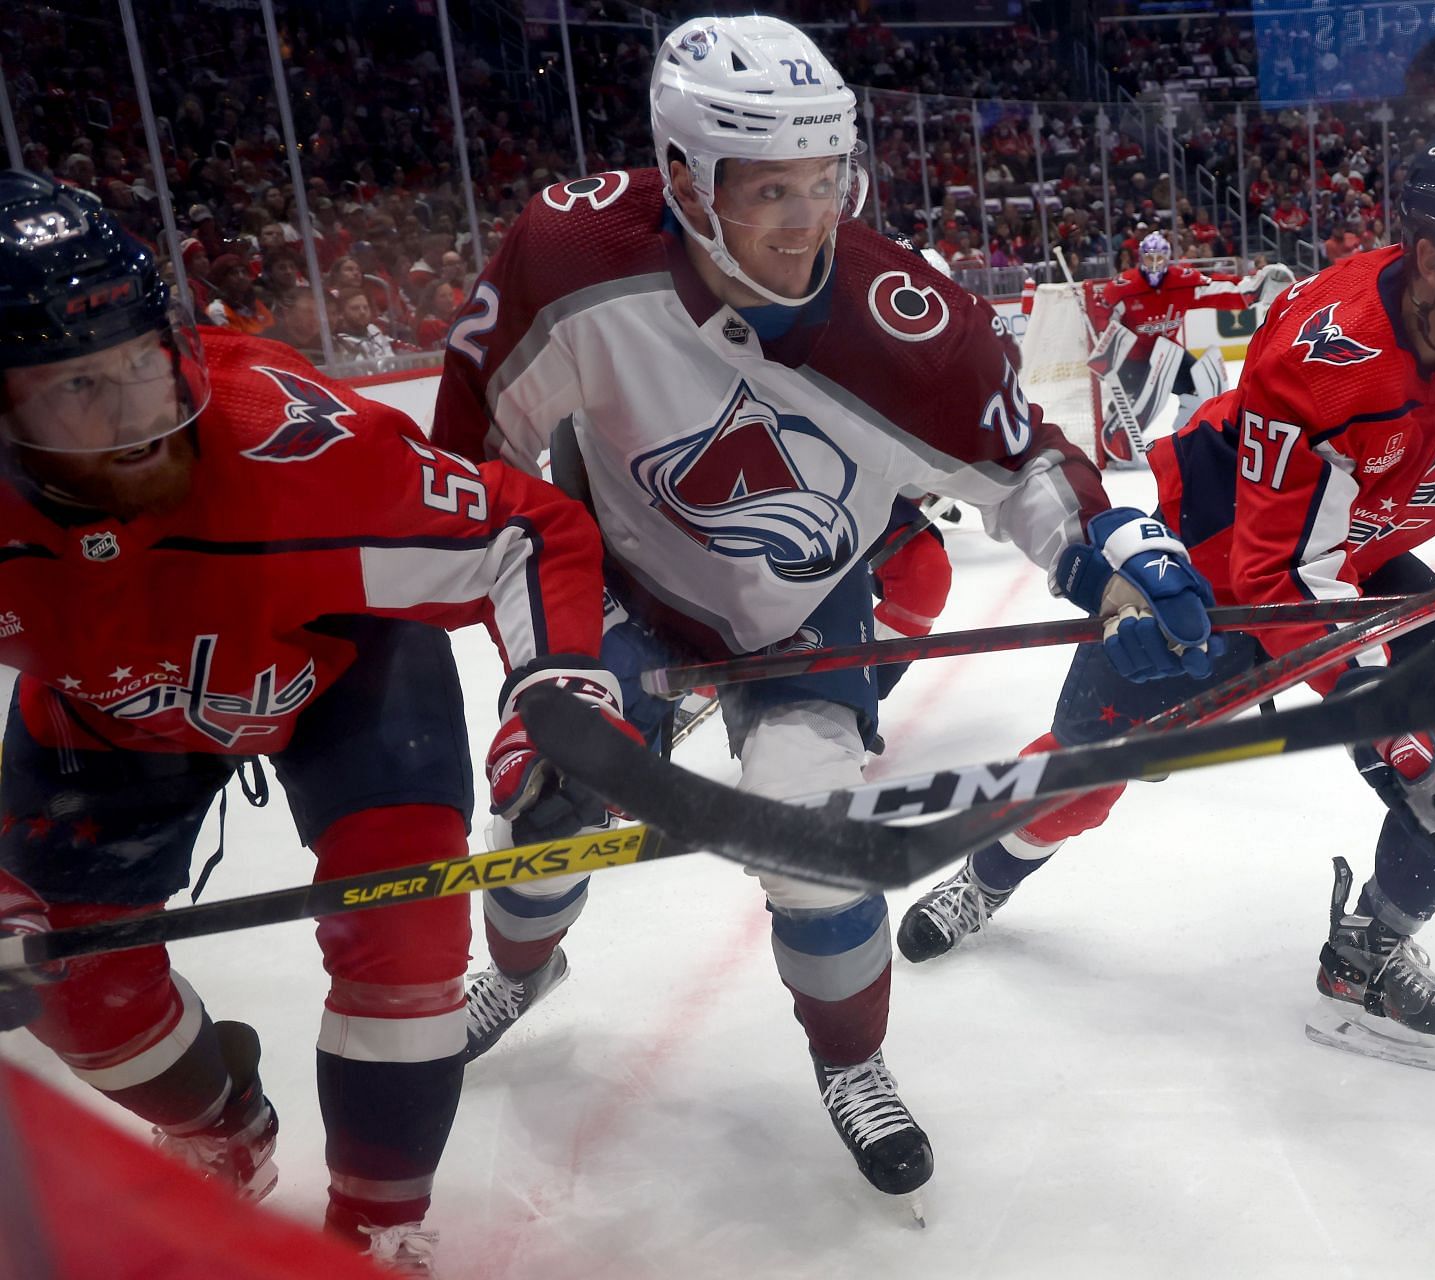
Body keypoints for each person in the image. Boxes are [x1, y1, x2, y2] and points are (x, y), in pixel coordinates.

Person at [431, 15, 1219, 1208]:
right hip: (615, 589)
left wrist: (1117, 562)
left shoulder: (913, 322)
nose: (807, 222)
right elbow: (469, 469)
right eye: (769, 190)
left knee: (816, 854)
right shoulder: (569, 255)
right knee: (543, 811)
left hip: (804, 617)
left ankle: (851, 1059)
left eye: (824, 182)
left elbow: (1026, 469)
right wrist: (548, 651)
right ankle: (522, 965)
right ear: (687, 179)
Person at [895, 130, 1435, 1075]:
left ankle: (1369, 955)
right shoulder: (1326, 357)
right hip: (1221, 570)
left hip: (1358, 556)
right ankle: (989, 873)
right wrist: (1391, 732)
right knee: (1091, 762)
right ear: (1434, 260)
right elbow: (1278, 580)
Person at [0, 173, 618, 1273]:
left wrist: (559, 700)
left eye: (146, 358)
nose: (140, 412)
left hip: (343, 677)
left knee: (410, 948)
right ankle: (223, 1125)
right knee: (79, 995)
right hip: (101, 720)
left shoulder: (295, 448)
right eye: (78, 388)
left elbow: (529, 532)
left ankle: (378, 1223)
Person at [1085, 230, 1291, 451]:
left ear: (1168, 257)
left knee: (1199, 385)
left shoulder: (1181, 281)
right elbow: (1102, 315)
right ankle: (1115, 438)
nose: (1154, 263)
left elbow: (1219, 288)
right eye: (1149, 257)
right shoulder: (1125, 287)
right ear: (1140, 257)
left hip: (1167, 354)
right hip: (1133, 360)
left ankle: (1187, 438)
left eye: (1160, 257)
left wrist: (1254, 289)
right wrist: (1104, 345)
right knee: (1130, 404)